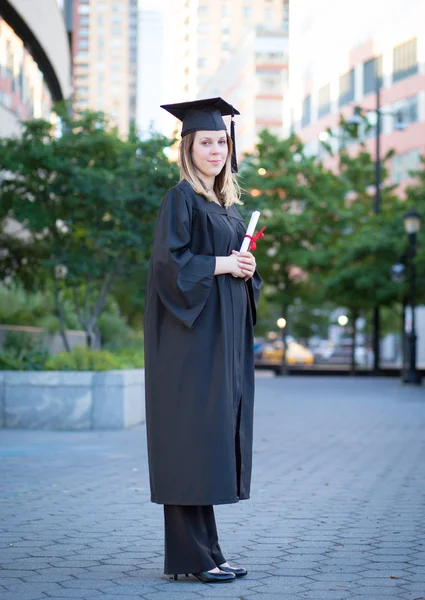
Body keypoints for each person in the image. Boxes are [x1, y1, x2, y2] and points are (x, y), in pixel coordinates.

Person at [144, 97, 262, 584]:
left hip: (220, 342)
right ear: (188, 148)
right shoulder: (181, 199)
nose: (215, 150)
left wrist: (248, 269)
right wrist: (222, 264)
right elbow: (168, 265)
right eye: (206, 143)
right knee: (188, 442)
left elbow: (235, 271)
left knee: (207, 442)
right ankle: (190, 559)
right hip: (188, 342)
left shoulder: (227, 206)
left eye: (221, 142)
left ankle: (209, 552)